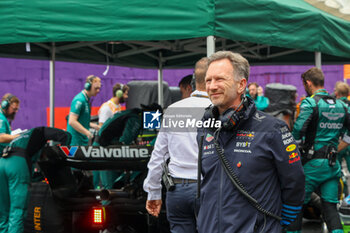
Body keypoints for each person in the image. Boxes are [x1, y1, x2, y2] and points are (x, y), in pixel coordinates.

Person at [198, 51, 305, 233]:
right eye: (208, 80)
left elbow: (294, 182)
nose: (212, 86)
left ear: (241, 85)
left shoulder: (273, 129)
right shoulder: (205, 128)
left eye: (220, 79)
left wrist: (283, 223)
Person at [143, 57, 211, 233]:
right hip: (210, 189)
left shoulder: (173, 110)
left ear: (193, 82)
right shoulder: (219, 110)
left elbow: (158, 156)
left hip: (177, 190)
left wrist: (153, 193)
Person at [289, 68, 350, 233]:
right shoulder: (343, 106)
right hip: (332, 166)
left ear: (308, 83)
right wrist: (336, 148)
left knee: (295, 205)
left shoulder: (310, 103)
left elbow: (298, 131)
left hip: (311, 166)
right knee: (330, 207)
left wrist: (292, 149)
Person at [0, 127, 71, 233]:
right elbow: (65, 135)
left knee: (4, 211)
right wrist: (65, 149)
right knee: (18, 209)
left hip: (2, 162)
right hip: (17, 163)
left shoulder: (20, 140)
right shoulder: (38, 132)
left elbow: (32, 176)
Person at [67, 75, 101, 146]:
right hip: (75, 142)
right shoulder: (79, 100)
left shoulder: (86, 100)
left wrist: (95, 126)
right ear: (88, 86)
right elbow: (72, 121)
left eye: (99, 88)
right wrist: (87, 132)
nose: (98, 91)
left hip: (82, 141)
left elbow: (82, 121)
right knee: (72, 157)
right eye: (96, 88)